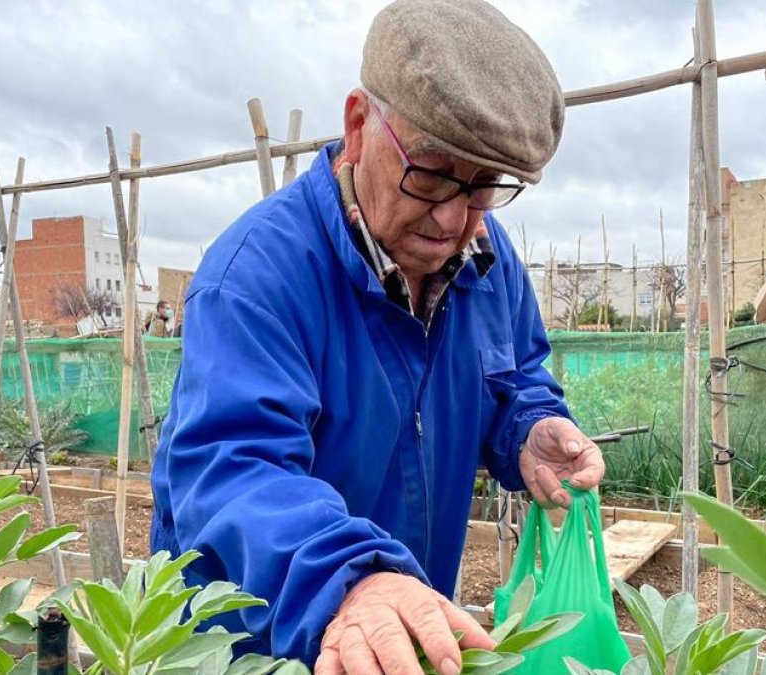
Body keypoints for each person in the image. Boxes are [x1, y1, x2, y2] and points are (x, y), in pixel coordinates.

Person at [149, 1, 605, 672]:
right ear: (360, 126)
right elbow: (236, 469)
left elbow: (514, 374)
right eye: (430, 172)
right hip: (265, 640)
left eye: (483, 187)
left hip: (399, 627)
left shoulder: (490, 259)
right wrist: (352, 577)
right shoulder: (256, 277)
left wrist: (528, 425)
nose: (453, 217)